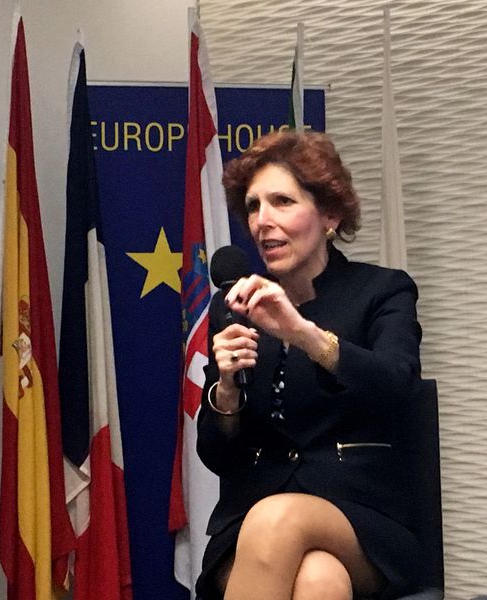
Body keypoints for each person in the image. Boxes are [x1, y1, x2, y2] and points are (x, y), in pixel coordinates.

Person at [195, 130, 426, 600]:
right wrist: (226, 390)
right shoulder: (233, 305)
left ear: (329, 215)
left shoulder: (382, 291)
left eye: (282, 201)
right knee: (318, 580)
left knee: (279, 518)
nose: (263, 220)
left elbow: (398, 391)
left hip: (362, 517)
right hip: (250, 518)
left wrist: (302, 333)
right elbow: (216, 456)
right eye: (254, 206)